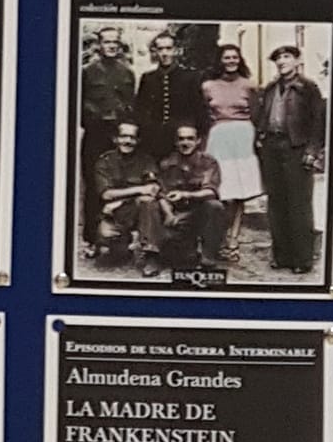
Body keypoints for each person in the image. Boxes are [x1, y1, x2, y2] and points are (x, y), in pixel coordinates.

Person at [254, 43, 326, 273]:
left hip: (296, 147)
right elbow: (262, 115)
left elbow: (318, 122)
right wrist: (260, 136)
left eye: (286, 57)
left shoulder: (308, 88)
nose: (282, 62)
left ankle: (302, 259)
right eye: (278, 58)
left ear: (297, 61)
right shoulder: (271, 88)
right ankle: (281, 256)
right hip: (272, 148)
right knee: (276, 202)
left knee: (299, 203)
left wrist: (312, 151)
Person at [202, 43, 262, 260]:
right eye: (227, 57)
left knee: (238, 193)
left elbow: (257, 114)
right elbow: (203, 114)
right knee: (219, 190)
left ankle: (233, 241)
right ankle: (217, 239)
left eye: (235, 57)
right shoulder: (208, 86)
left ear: (240, 59)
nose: (231, 61)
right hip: (218, 137)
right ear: (220, 60)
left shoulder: (249, 85)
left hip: (242, 137)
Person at [80, 26, 137, 246]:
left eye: (115, 42)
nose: (111, 46)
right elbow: (79, 107)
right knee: (94, 186)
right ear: (99, 45)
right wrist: (97, 118)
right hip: (96, 136)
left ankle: (119, 235)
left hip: (120, 138)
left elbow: (130, 106)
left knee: (121, 182)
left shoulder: (127, 73)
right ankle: (92, 238)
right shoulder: (87, 72)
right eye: (107, 42)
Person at [93, 119, 162, 272]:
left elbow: (152, 188)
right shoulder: (105, 161)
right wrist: (139, 189)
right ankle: (125, 243)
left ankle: (151, 254)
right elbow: (106, 194)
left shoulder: (146, 160)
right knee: (109, 254)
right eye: (123, 136)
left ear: (138, 141)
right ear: (115, 139)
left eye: (132, 137)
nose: (128, 141)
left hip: (137, 212)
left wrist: (122, 199)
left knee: (148, 201)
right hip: (116, 215)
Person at [156, 123, 227, 271]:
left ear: (198, 141)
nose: (185, 143)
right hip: (178, 216)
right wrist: (169, 215)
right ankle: (187, 250)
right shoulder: (166, 164)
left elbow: (210, 192)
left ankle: (208, 255)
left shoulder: (208, 162)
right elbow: (161, 194)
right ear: (176, 142)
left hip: (199, 213)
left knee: (215, 206)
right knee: (181, 260)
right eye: (181, 139)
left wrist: (185, 194)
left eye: (190, 139)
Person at [135, 30, 207, 161]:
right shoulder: (148, 78)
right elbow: (140, 109)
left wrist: (197, 136)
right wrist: (146, 129)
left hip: (182, 139)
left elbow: (199, 110)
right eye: (160, 49)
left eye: (168, 48)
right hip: (155, 139)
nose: (164, 53)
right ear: (155, 52)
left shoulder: (190, 77)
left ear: (176, 50)